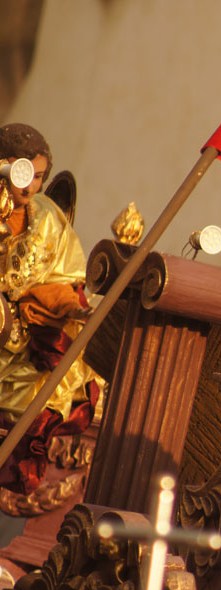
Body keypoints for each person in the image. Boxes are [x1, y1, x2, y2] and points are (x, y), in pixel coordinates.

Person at [0, 123, 99, 494]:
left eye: (39, 177)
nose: (30, 188)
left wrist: (67, 306)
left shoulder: (47, 217)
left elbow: (64, 278)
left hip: (32, 341)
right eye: (23, 175)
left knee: (53, 391)